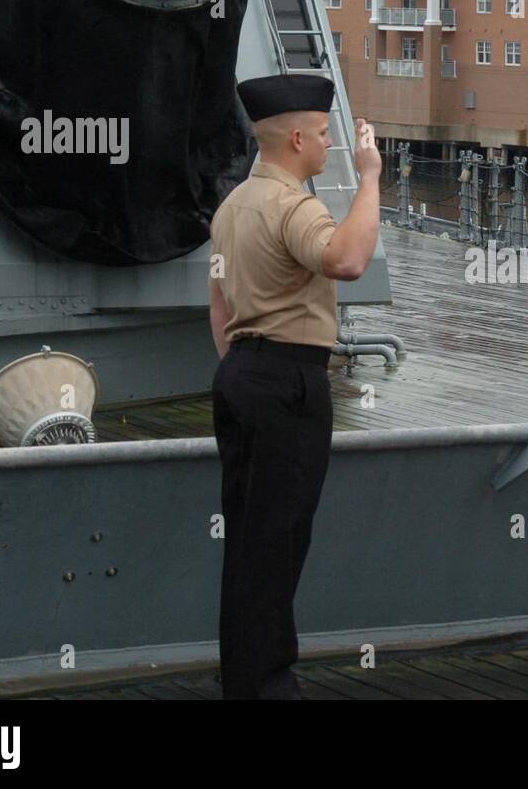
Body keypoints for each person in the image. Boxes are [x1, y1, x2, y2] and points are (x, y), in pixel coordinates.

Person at [208, 74, 382, 699]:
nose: (332, 145)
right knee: (278, 544)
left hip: (242, 375)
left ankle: (245, 680)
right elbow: (346, 259)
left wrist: (241, 369)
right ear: (299, 136)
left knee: (249, 539)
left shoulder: (232, 206)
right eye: (327, 136)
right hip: (287, 380)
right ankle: (269, 686)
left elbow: (220, 305)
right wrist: (369, 179)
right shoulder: (293, 205)